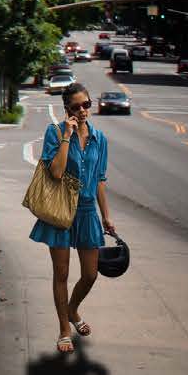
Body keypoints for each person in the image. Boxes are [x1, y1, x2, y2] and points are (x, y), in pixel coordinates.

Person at [32, 83, 113, 354]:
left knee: (90, 274)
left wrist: (107, 217)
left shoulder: (100, 139)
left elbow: (100, 180)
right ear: (66, 108)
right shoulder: (54, 132)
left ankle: (73, 309)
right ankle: (64, 329)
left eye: (86, 105)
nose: (82, 111)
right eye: (76, 106)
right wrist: (67, 135)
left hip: (88, 211)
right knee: (62, 273)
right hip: (60, 210)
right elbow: (55, 172)